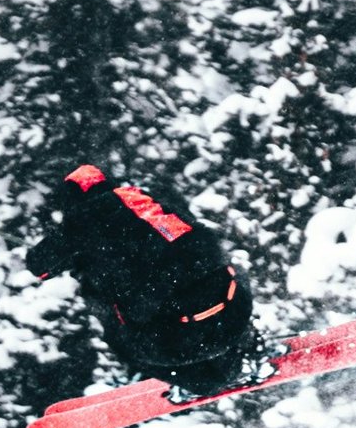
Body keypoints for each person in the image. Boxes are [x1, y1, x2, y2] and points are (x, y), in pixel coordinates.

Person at [25, 165, 257, 390]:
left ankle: (206, 382)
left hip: (183, 342)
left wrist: (74, 251)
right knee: (213, 279)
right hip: (236, 312)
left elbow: (39, 265)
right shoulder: (147, 202)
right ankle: (249, 348)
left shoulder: (80, 220)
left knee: (122, 340)